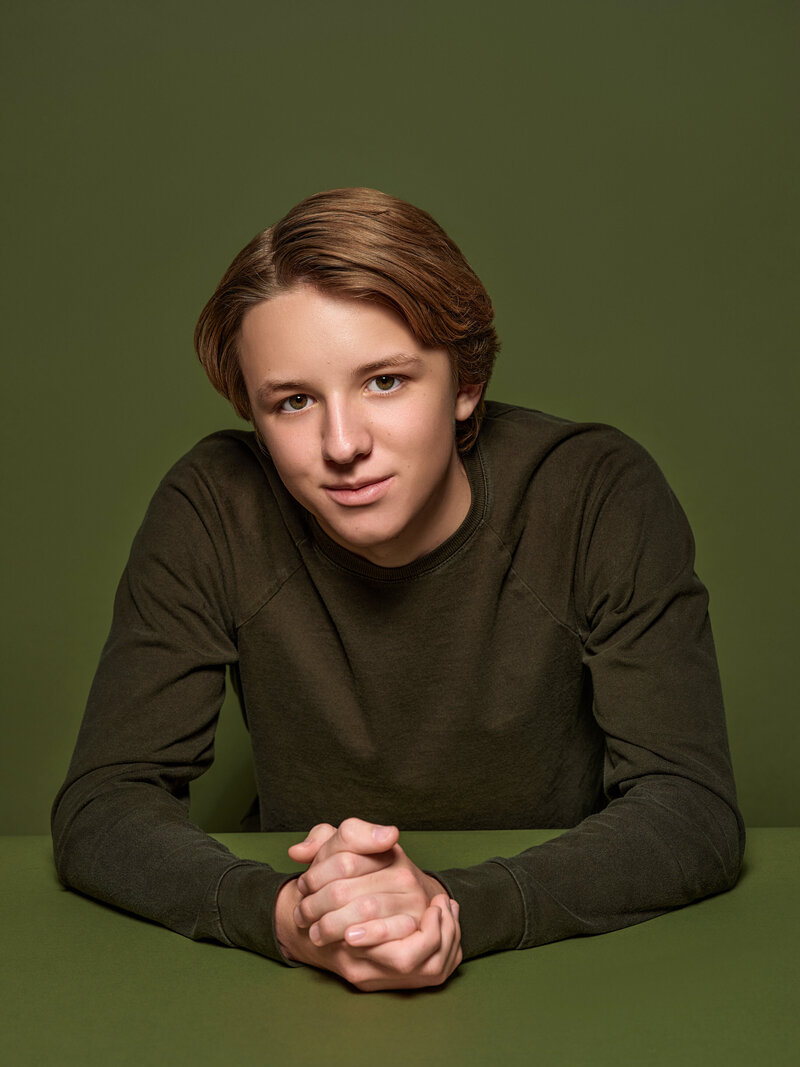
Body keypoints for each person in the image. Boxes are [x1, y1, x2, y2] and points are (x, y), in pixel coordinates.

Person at [52, 187, 744, 992]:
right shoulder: (216, 503)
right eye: (295, 400)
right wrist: (283, 917)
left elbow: (692, 808)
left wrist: (451, 908)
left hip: (572, 965)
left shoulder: (594, 493)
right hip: (297, 960)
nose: (342, 444)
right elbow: (104, 800)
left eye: (384, 381)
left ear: (464, 384)